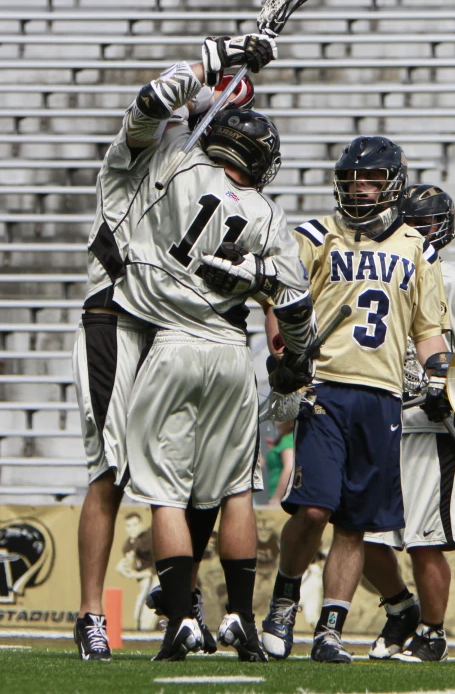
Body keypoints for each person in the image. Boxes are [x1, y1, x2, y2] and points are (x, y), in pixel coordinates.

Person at [111, 35, 318, 663]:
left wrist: (215, 55)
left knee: (166, 493)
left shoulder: (172, 161)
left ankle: (179, 621)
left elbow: (153, 100)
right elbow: (295, 305)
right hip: (230, 349)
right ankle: (242, 624)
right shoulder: (268, 213)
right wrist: (294, 363)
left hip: (170, 342)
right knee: (234, 492)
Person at [71, 37, 262, 662]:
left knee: (192, 472)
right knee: (111, 468)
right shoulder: (131, 157)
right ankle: (91, 614)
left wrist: (233, 83)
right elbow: (155, 98)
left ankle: (172, 589)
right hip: (115, 319)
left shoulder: (189, 174)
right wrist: (221, 52)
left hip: (171, 328)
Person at [260, 137, 451, 664]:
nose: (359, 190)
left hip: (383, 395)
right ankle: (283, 601)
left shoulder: (418, 248)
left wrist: (438, 372)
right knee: (314, 506)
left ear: (392, 185)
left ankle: (330, 628)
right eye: (351, 181)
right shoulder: (317, 236)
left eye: (370, 181)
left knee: (354, 521)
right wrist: (283, 348)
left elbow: (429, 329)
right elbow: (280, 292)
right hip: (324, 387)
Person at [362, 185, 455, 663]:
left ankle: (433, 632)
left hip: (432, 432)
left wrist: (453, 393)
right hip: (380, 420)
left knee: (425, 543)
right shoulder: (386, 272)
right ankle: (401, 609)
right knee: (360, 538)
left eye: (422, 224)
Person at [264, 421, 295, 505]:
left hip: (282, 498)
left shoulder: (287, 439)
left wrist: (276, 498)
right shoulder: (283, 438)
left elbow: (289, 468)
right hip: (280, 497)